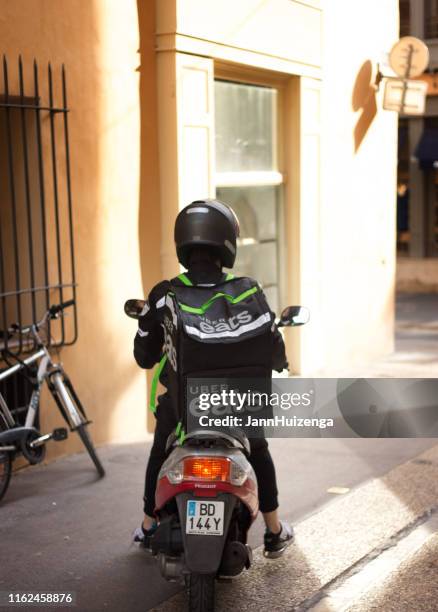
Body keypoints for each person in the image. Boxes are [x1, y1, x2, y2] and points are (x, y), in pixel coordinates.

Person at [132, 199, 294, 558]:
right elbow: (274, 344)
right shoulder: (250, 290)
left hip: (183, 408)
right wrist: (281, 363)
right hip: (239, 406)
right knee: (260, 451)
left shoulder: (165, 294)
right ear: (227, 244)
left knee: (160, 450)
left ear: (183, 245)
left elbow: (144, 356)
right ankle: (273, 531)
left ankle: (147, 527)